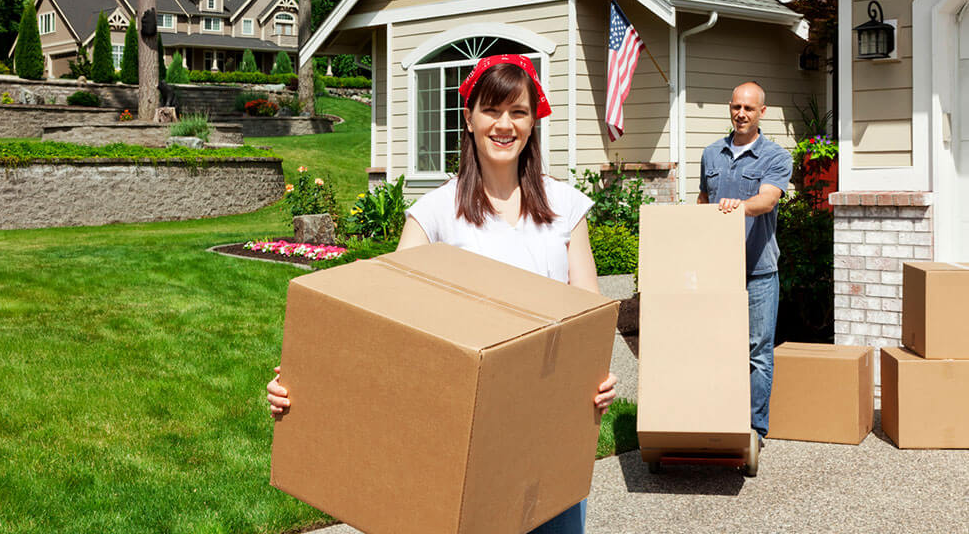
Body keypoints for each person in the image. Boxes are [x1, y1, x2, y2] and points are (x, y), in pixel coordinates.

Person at [267, 54, 617, 534]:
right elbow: (377, 323)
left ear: (534, 123)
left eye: (518, 112)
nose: (504, 124)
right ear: (469, 118)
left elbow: (588, 320)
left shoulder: (564, 207)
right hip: (462, 434)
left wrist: (597, 381)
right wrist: (310, 381)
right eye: (492, 110)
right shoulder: (433, 215)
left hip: (543, 435)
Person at [696, 81, 792, 443]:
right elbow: (704, 199)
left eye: (749, 109)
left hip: (758, 271)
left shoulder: (776, 157)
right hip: (718, 270)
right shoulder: (711, 154)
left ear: (761, 112)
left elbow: (767, 200)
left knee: (757, 351)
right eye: (736, 107)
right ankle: (719, 418)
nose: (741, 114)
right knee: (717, 346)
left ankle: (754, 429)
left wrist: (738, 206)